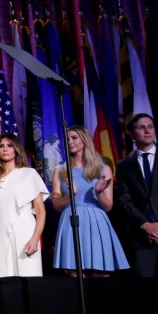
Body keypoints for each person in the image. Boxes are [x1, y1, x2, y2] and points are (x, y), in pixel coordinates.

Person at [51, 125, 129, 276]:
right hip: (70, 221)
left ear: (85, 140)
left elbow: (108, 206)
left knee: (100, 273)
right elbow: (56, 204)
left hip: (96, 223)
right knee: (75, 274)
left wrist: (99, 192)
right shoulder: (60, 170)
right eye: (67, 139)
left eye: (74, 138)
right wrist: (70, 196)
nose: (70, 142)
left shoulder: (103, 169)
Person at [0, 134, 49, 277]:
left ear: (16, 149)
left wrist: (35, 238)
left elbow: (40, 211)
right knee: (4, 279)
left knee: (29, 276)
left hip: (26, 230)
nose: (5, 149)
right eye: (1, 146)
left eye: (9, 145)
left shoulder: (29, 174)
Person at [116, 113, 158, 277]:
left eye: (151, 126)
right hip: (142, 238)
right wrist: (146, 225)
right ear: (132, 134)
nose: (147, 131)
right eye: (141, 127)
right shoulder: (124, 166)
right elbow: (124, 200)